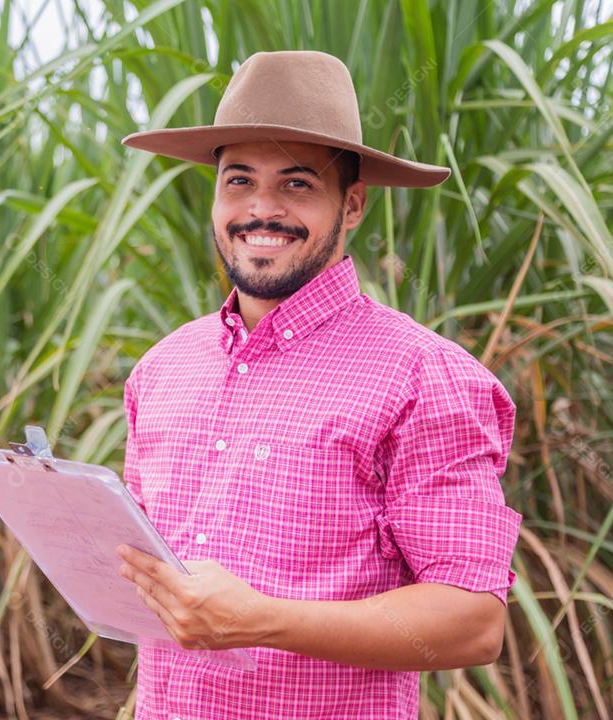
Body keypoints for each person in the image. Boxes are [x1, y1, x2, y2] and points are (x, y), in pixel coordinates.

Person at [114, 50, 522, 718]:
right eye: (238, 181)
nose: (261, 209)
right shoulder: (162, 369)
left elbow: (473, 622)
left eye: (297, 184)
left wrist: (264, 619)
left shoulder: (424, 377)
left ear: (353, 204)